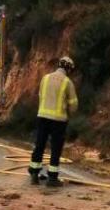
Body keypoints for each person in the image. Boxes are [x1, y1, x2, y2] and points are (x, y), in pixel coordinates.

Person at [30, 56, 79, 187]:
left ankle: (34, 174)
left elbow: (40, 96)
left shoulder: (45, 78)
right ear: (69, 69)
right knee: (55, 149)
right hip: (59, 120)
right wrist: (68, 113)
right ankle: (52, 179)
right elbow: (73, 105)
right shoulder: (67, 82)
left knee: (39, 145)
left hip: (42, 117)